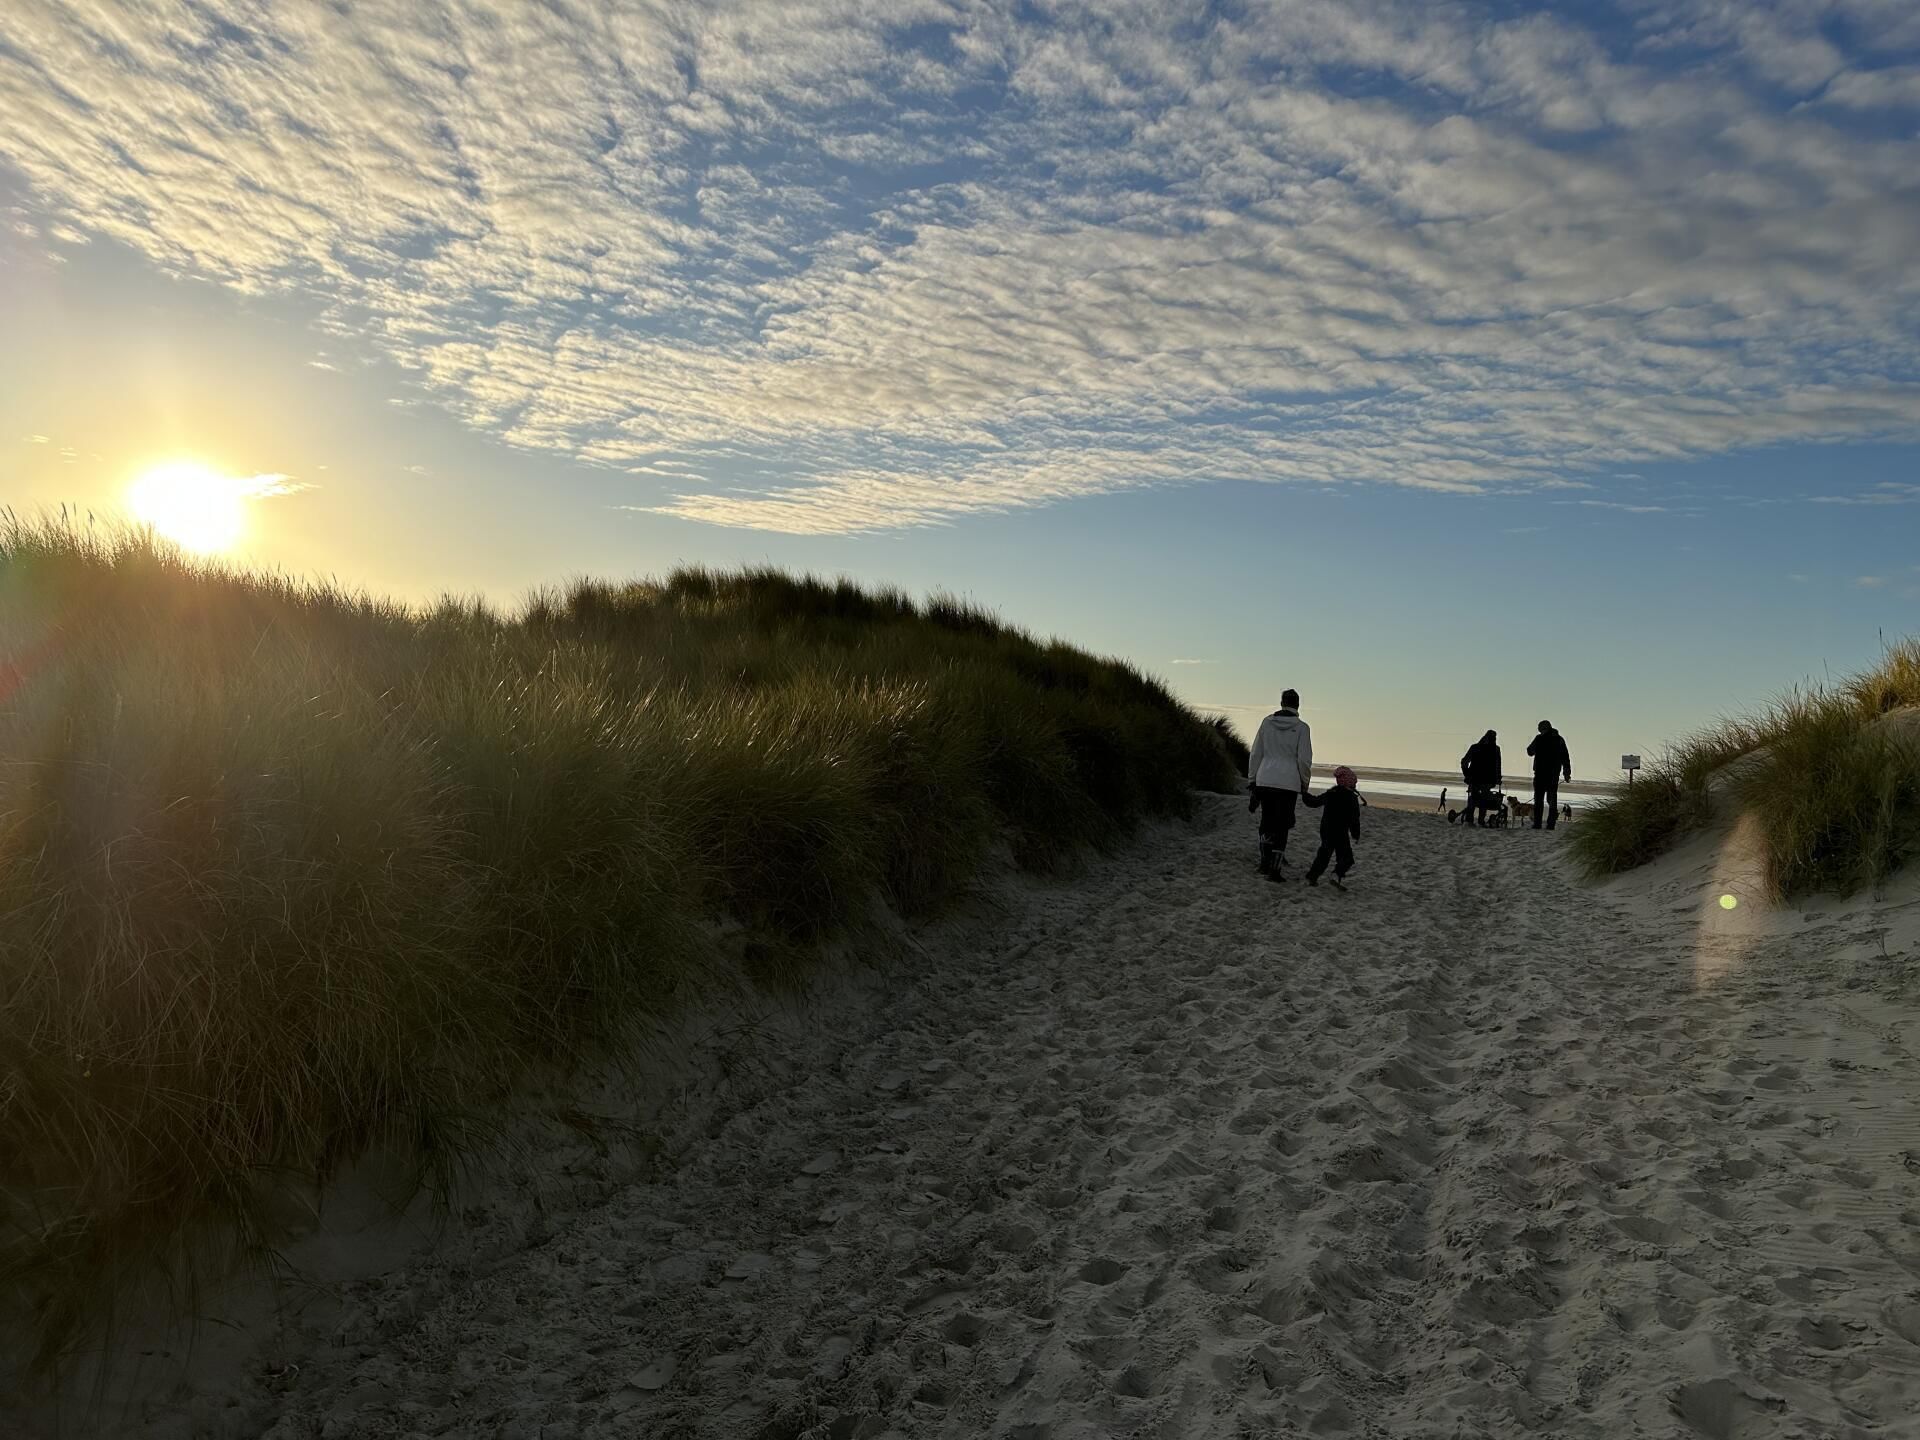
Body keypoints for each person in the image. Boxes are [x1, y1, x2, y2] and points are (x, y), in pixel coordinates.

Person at [1247, 688, 1313, 878]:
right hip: (1288, 782)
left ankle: (1264, 862)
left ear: (1282, 703)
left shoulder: (1267, 723)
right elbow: (1304, 760)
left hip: (1265, 777)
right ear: (1298, 705)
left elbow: (1256, 753)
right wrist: (1304, 783)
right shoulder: (1302, 728)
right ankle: (1274, 869)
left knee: (1266, 821)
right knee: (1282, 825)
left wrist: (1253, 779)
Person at [1303, 766, 1362, 887]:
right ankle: (1336, 874)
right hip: (1340, 832)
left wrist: (1304, 794)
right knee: (1346, 858)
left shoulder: (1331, 794)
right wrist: (1355, 834)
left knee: (1324, 855)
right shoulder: (1352, 798)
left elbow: (1314, 802)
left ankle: (1312, 877)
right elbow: (1354, 820)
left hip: (1326, 830)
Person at [1527, 721, 1572, 830]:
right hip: (1553, 774)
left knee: (1539, 799)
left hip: (1541, 773)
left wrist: (1566, 773)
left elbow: (1529, 751)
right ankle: (1550, 824)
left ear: (1542, 728)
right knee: (1551, 799)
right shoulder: (1559, 739)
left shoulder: (1539, 738)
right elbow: (1565, 758)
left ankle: (1538, 824)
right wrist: (1567, 773)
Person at [1460, 730, 1502, 827]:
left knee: (1473, 798)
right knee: (1484, 799)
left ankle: (1469, 821)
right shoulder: (1496, 749)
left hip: (1475, 778)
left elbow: (1464, 762)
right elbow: (1498, 766)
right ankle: (1480, 821)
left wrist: (1466, 774)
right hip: (1487, 779)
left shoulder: (1475, 747)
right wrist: (1498, 778)